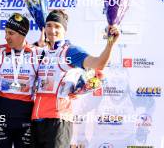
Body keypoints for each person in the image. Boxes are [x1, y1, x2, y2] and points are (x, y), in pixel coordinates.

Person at [31, 9, 120, 148]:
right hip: (36, 119)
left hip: (58, 120)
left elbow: (99, 63)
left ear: (64, 30)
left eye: (57, 26)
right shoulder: (41, 52)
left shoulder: (70, 51)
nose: (52, 30)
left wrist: (110, 43)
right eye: (48, 25)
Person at [0, 13, 41, 148]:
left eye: (11, 33)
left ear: (22, 34)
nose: (6, 37)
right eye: (6, 32)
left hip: (26, 114)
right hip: (1, 113)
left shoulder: (38, 53)